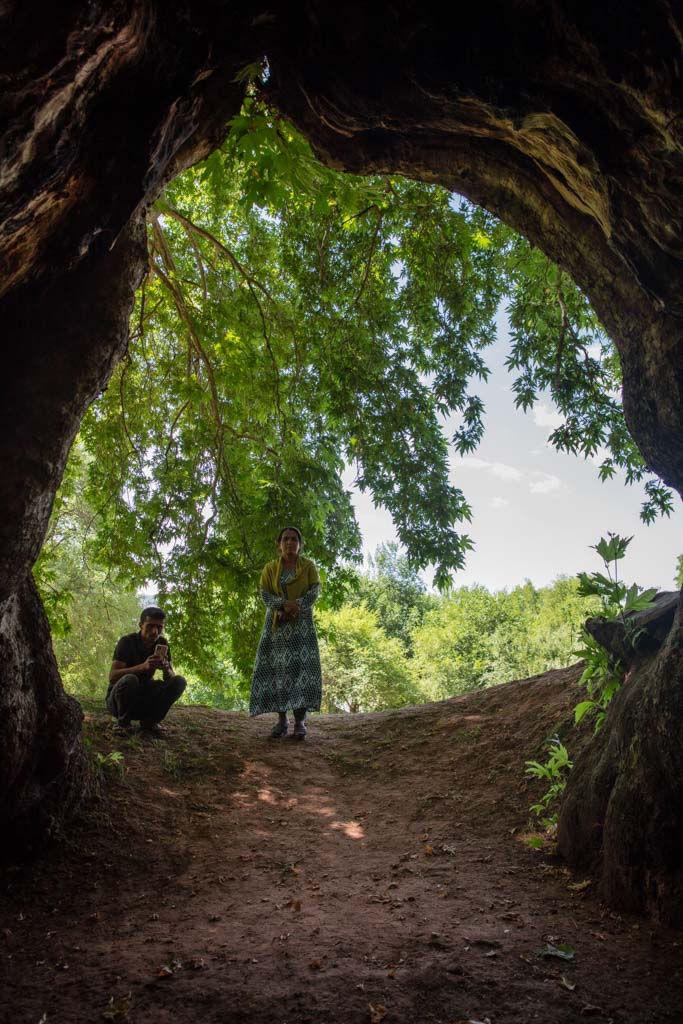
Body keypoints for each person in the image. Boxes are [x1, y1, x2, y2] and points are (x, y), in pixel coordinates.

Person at [250, 526, 322, 740]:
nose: (290, 542)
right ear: (279, 544)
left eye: (294, 539)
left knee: (301, 671)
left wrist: (296, 606)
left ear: (300, 544)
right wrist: (282, 605)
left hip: (302, 627)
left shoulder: (308, 567)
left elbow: (314, 591)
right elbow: (264, 593)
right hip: (277, 627)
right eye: (285, 539)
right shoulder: (270, 568)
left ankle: (300, 722)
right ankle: (282, 721)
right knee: (278, 671)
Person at [107, 606, 186, 736]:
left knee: (179, 681)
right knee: (130, 679)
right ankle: (123, 723)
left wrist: (166, 669)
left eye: (159, 627)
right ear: (141, 625)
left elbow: (170, 678)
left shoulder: (162, 643)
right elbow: (113, 677)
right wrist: (143, 667)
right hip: (118, 701)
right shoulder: (126, 642)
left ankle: (150, 722)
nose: (155, 631)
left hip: (144, 698)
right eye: (150, 626)